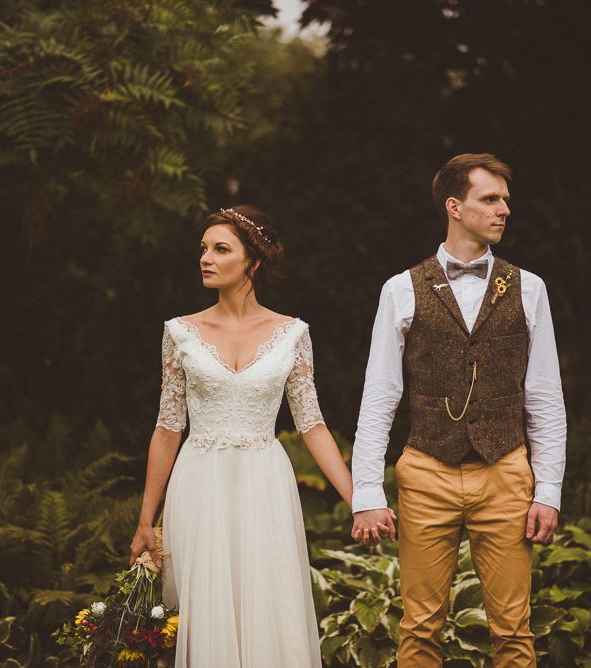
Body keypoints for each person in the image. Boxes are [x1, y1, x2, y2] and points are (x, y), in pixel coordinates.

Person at [351, 153, 566, 667]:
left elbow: (545, 398)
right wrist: (366, 491)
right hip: (426, 470)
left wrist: (549, 489)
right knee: (420, 627)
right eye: (490, 199)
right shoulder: (401, 289)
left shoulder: (529, 288)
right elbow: (381, 394)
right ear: (454, 206)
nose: (504, 210)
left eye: (506, 200)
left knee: (514, 630)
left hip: (506, 471)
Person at [129, 206, 352, 668]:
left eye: (220, 249)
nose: (205, 258)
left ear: (252, 262)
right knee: (202, 607)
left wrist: (359, 498)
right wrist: (146, 520)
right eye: (204, 249)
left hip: (263, 484)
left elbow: (312, 424)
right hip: (198, 484)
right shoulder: (180, 333)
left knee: (267, 600)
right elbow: (168, 427)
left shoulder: (292, 334)